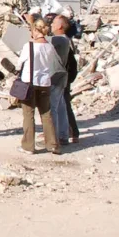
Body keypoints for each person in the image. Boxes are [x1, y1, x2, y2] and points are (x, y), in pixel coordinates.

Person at [16, 18, 64, 155]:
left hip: (29, 83)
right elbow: (56, 64)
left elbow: (19, 63)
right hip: (44, 83)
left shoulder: (29, 46)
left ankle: (28, 146)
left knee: (28, 115)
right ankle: (53, 144)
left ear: (35, 30)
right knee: (46, 114)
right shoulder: (50, 47)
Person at [49, 15, 75, 144]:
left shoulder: (58, 40)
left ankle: (54, 137)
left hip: (55, 77)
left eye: (53, 23)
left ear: (60, 26)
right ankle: (63, 135)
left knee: (52, 107)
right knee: (61, 106)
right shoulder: (65, 40)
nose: (51, 25)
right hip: (62, 77)